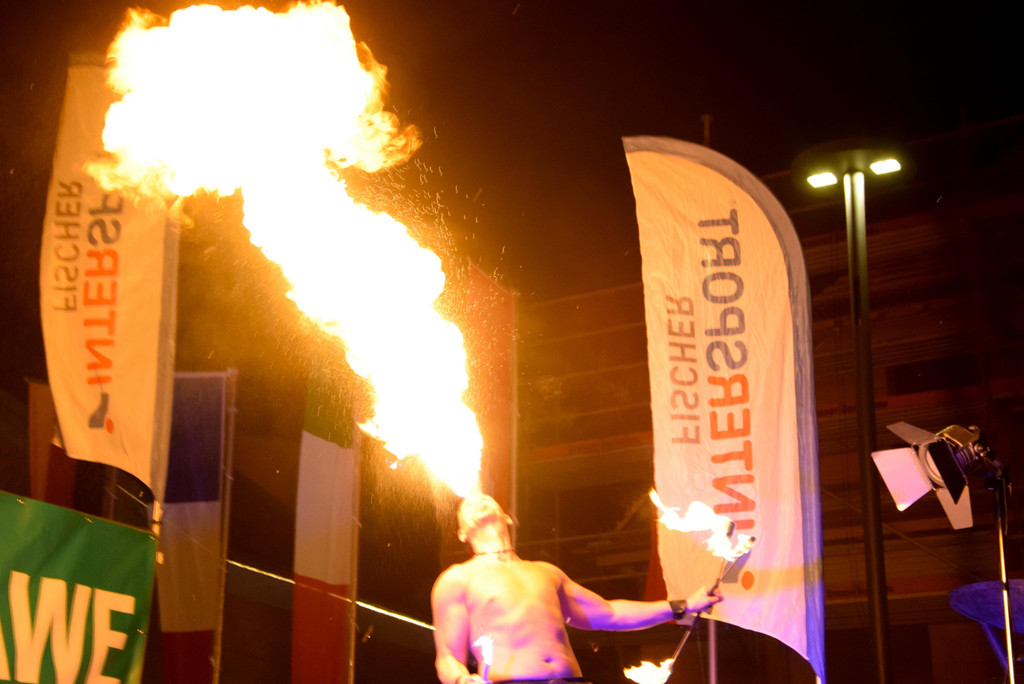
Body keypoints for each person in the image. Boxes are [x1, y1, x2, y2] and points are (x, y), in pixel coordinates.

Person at [431, 493, 723, 684]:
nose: (477, 501)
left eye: (486, 498)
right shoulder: (457, 579)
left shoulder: (546, 572)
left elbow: (609, 613)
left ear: (507, 517)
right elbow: (447, 657)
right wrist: (461, 680)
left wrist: (682, 606)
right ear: (462, 533)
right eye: (467, 505)